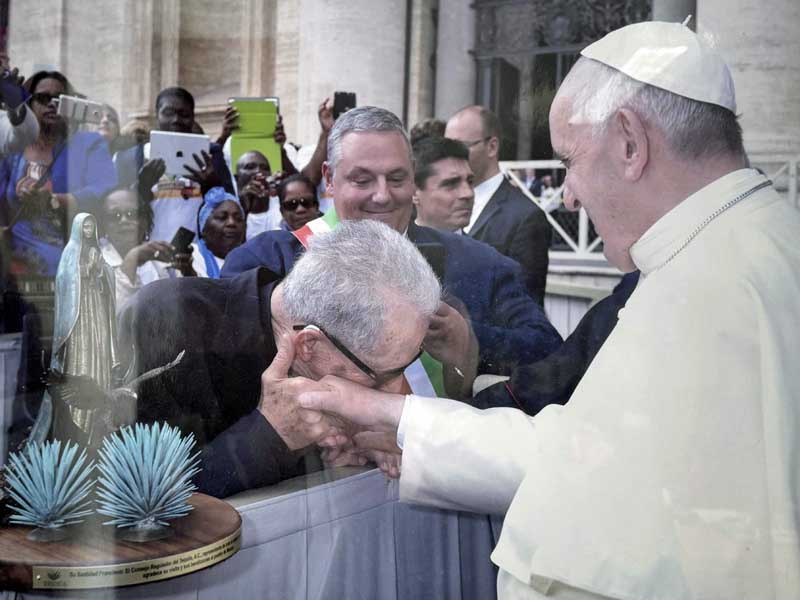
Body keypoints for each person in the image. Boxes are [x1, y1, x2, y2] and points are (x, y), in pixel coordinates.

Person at [297, 21, 800, 599]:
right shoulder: (737, 249)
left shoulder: (717, 282)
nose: (569, 196)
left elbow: (599, 480)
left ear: (631, 144)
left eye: (570, 161)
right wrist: (389, 416)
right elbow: (581, 451)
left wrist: (395, 416)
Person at [222, 106, 562, 383]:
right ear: (328, 179)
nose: (382, 195)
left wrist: (470, 342)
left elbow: (550, 353)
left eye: (397, 178)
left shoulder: (479, 264)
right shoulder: (266, 261)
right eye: (362, 179)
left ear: (413, 177)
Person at [118, 219, 440, 498]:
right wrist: (267, 436)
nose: (398, 389)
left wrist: (340, 455)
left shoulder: (323, 326)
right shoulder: (163, 325)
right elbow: (121, 510)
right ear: (308, 345)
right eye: (383, 375)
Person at [0, 70, 118, 277]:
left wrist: (54, 200)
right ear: (28, 104)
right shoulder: (14, 147)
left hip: (69, 263)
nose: (52, 104)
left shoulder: (89, 143)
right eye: (43, 98)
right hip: (14, 264)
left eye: (59, 98)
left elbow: (105, 189)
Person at [446, 105, 551, 306]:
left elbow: (524, 309)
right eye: (446, 147)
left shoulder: (526, 217)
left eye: (459, 147)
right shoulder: (439, 204)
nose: (449, 156)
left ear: (492, 147)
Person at [113, 86, 235, 243]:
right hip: (146, 253)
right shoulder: (129, 158)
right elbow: (114, 210)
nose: (176, 120)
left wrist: (211, 185)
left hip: (197, 253)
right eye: (168, 113)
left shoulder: (211, 154)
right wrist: (141, 188)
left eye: (184, 115)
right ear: (157, 114)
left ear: (192, 118)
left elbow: (232, 206)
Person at [50, 213, 119, 447]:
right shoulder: (70, 253)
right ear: (79, 228)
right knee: (82, 354)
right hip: (78, 317)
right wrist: (86, 270)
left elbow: (107, 278)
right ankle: (78, 421)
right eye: (85, 226)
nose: (89, 230)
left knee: (98, 352)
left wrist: (101, 271)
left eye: (92, 225)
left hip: (97, 312)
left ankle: (99, 410)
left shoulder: (97, 252)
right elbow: (64, 280)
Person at [98, 160, 179, 313]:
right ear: (104, 224)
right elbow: (107, 316)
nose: (124, 221)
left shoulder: (159, 258)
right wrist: (133, 258)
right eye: (115, 216)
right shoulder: (91, 260)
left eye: (132, 214)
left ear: (145, 220)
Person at [174, 186, 245, 278]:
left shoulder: (251, 260)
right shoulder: (190, 256)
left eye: (238, 219)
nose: (231, 223)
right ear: (203, 227)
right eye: (222, 217)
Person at [411, 136, 475, 233]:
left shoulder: (482, 248)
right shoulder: (391, 247)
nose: (468, 193)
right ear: (414, 193)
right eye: (452, 184)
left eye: (470, 182)